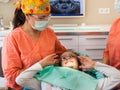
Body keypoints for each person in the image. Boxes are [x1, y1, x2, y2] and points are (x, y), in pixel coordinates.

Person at [2, 0, 66, 89]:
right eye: (41, 18)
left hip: (49, 84)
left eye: (48, 17)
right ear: (27, 15)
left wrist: (73, 57)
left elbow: (62, 53)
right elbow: (11, 76)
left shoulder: (49, 33)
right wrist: (41, 65)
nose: (45, 21)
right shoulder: (13, 38)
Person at [16, 51, 120, 90]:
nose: (67, 59)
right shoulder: (47, 79)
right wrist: (42, 64)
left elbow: (117, 76)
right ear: (59, 65)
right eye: (63, 58)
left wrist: (94, 64)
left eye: (71, 57)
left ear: (80, 64)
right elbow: (20, 80)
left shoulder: (92, 82)